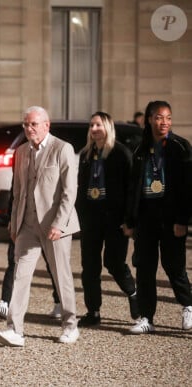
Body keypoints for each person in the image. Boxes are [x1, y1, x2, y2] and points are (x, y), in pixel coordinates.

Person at [0, 106, 80, 347]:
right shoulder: (20, 152)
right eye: (26, 124)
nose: (29, 129)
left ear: (46, 125)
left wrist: (59, 224)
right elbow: (17, 191)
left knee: (62, 277)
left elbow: (69, 192)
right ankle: (15, 330)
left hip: (55, 225)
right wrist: (14, 222)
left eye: (33, 124)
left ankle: (71, 325)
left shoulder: (63, 149)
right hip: (26, 225)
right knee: (20, 275)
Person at [123, 100, 192, 334]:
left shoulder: (181, 147)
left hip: (171, 217)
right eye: (160, 117)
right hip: (146, 217)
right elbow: (132, 187)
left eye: (169, 118)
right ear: (149, 119)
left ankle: (188, 306)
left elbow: (187, 188)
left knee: (174, 266)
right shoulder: (138, 148)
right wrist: (130, 220)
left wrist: (183, 221)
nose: (165, 122)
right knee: (144, 267)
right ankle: (146, 317)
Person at [76, 112, 139, 327]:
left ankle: (133, 293)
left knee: (113, 262)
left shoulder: (121, 153)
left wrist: (129, 220)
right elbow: (81, 187)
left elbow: (131, 189)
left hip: (115, 219)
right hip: (91, 219)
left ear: (108, 128)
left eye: (99, 125)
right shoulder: (86, 154)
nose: (94, 129)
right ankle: (93, 311)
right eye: (92, 125)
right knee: (90, 267)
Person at [0, 181, 61, 320]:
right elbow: (16, 190)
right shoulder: (20, 159)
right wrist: (12, 218)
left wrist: (58, 221)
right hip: (23, 219)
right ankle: (6, 303)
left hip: (46, 218)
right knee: (14, 260)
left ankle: (60, 302)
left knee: (52, 263)